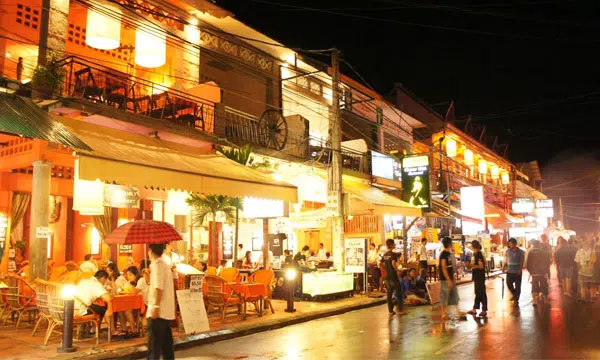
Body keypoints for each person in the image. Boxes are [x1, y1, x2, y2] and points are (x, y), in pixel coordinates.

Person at [147, 243, 175, 360]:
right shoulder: (163, 265)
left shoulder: (158, 266)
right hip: (166, 311)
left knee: (154, 344)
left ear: (151, 251)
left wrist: (156, 306)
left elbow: (158, 287)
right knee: (166, 344)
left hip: (159, 311)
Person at [74, 270, 113, 337]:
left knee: (96, 307)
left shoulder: (84, 281)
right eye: (105, 280)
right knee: (103, 308)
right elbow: (108, 298)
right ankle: (108, 330)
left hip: (73, 308)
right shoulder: (96, 284)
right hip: (82, 311)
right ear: (103, 278)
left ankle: (90, 329)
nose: (105, 283)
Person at [382, 238, 407, 316]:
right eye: (394, 244)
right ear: (392, 245)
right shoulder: (393, 254)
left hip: (387, 277)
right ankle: (400, 310)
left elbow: (380, 263)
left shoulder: (385, 255)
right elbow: (393, 263)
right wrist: (397, 271)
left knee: (389, 294)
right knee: (399, 292)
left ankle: (390, 311)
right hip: (393, 276)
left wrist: (386, 269)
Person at [525, 239, 551, 306]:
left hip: (534, 273)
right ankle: (546, 299)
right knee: (544, 285)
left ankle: (534, 300)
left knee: (534, 286)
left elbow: (528, 263)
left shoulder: (530, 252)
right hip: (542, 273)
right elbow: (547, 263)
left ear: (533, 245)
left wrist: (530, 271)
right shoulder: (544, 252)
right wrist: (547, 272)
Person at [466, 240, 487, 317]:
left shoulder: (478, 254)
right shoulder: (475, 254)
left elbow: (481, 266)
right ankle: (475, 308)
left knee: (481, 292)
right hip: (477, 275)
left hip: (479, 276)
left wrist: (471, 266)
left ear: (473, 246)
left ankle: (484, 309)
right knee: (478, 292)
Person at [439, 237, 459, 320]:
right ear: (449, 244)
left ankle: (456, 312)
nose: (452, 244)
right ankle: (443, 313)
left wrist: (454, 276)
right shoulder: (443, 255)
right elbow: (443, 268)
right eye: (451, 243)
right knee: (444, 295)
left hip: (450, 278)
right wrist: (448, 280)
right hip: (445, 279)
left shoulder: (449, 254)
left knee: (454, 295)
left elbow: (451, 266)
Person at [503, 238, 525, 306]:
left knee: (518, 286)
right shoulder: (507, 251)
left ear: (515, 244)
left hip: (517, 271)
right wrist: (504, 267)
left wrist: (520, 270)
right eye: (509, 244)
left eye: (511, 243)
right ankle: (515, 294)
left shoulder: (521, 252)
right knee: (508, 284)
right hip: (509, 271)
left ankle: (516, 299)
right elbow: (506, 260)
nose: (510, 245)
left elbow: (522, 262)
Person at [575, 238, 594, 302]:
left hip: (591, 270)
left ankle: (592, 297)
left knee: (592, 284)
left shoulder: (592, 251)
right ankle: (583, 297)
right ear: (582, 244)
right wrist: (579, 268)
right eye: (584, 243)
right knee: (583, 284)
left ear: (589, 244)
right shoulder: (579, 251)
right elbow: (577, 261)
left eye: (586, 243)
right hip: (582, 270)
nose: (585, 244)